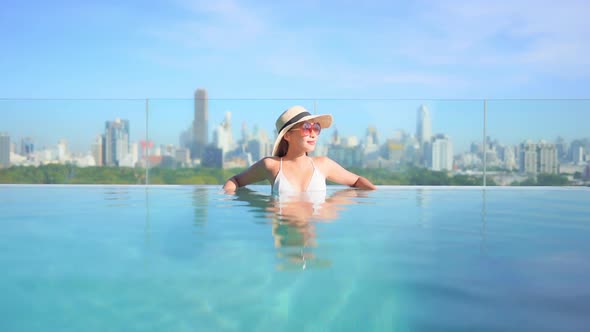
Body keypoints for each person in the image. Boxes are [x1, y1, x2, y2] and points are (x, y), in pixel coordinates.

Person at [223, 105, 376, 194]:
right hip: (283, 230)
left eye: (316, 128)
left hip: (312, 236)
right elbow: (235, 180)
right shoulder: (271, 165)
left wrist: (375, 197)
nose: (313, 134)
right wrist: (226, 203)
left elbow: (357, 180)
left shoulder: (323, 164)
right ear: (287, 135)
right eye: (306, 128)